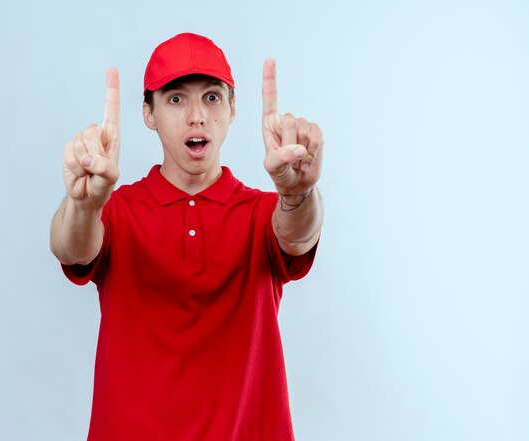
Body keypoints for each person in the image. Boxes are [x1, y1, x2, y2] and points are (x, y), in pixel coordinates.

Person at [50, 32, 324, 441]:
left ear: (232, 110)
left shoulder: (262, 212)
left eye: (212, 97)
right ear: (148, 114)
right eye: (176, 99)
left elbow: (297, 234)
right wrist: (85, 205)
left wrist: (298, 192)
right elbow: (69, 246)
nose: (197, 115)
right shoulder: (117, 211)